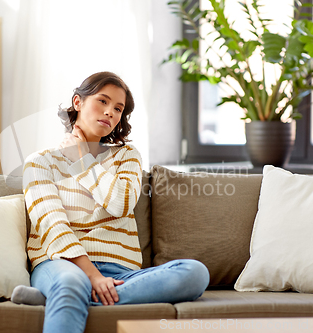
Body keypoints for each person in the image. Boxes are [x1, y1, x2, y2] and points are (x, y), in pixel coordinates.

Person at [11, 72, 210, 333]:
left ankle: (63, 299)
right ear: (78, 102)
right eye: (102, 101)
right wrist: (92, 276)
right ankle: (68, 292)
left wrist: (82, 161)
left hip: (120, 272)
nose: (110, 113)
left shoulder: (127, 156)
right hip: (62, 264)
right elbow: (53, 227)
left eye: (118, 108)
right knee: (72, 283)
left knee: (194, 273)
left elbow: (120, 204)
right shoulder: (40, 161)